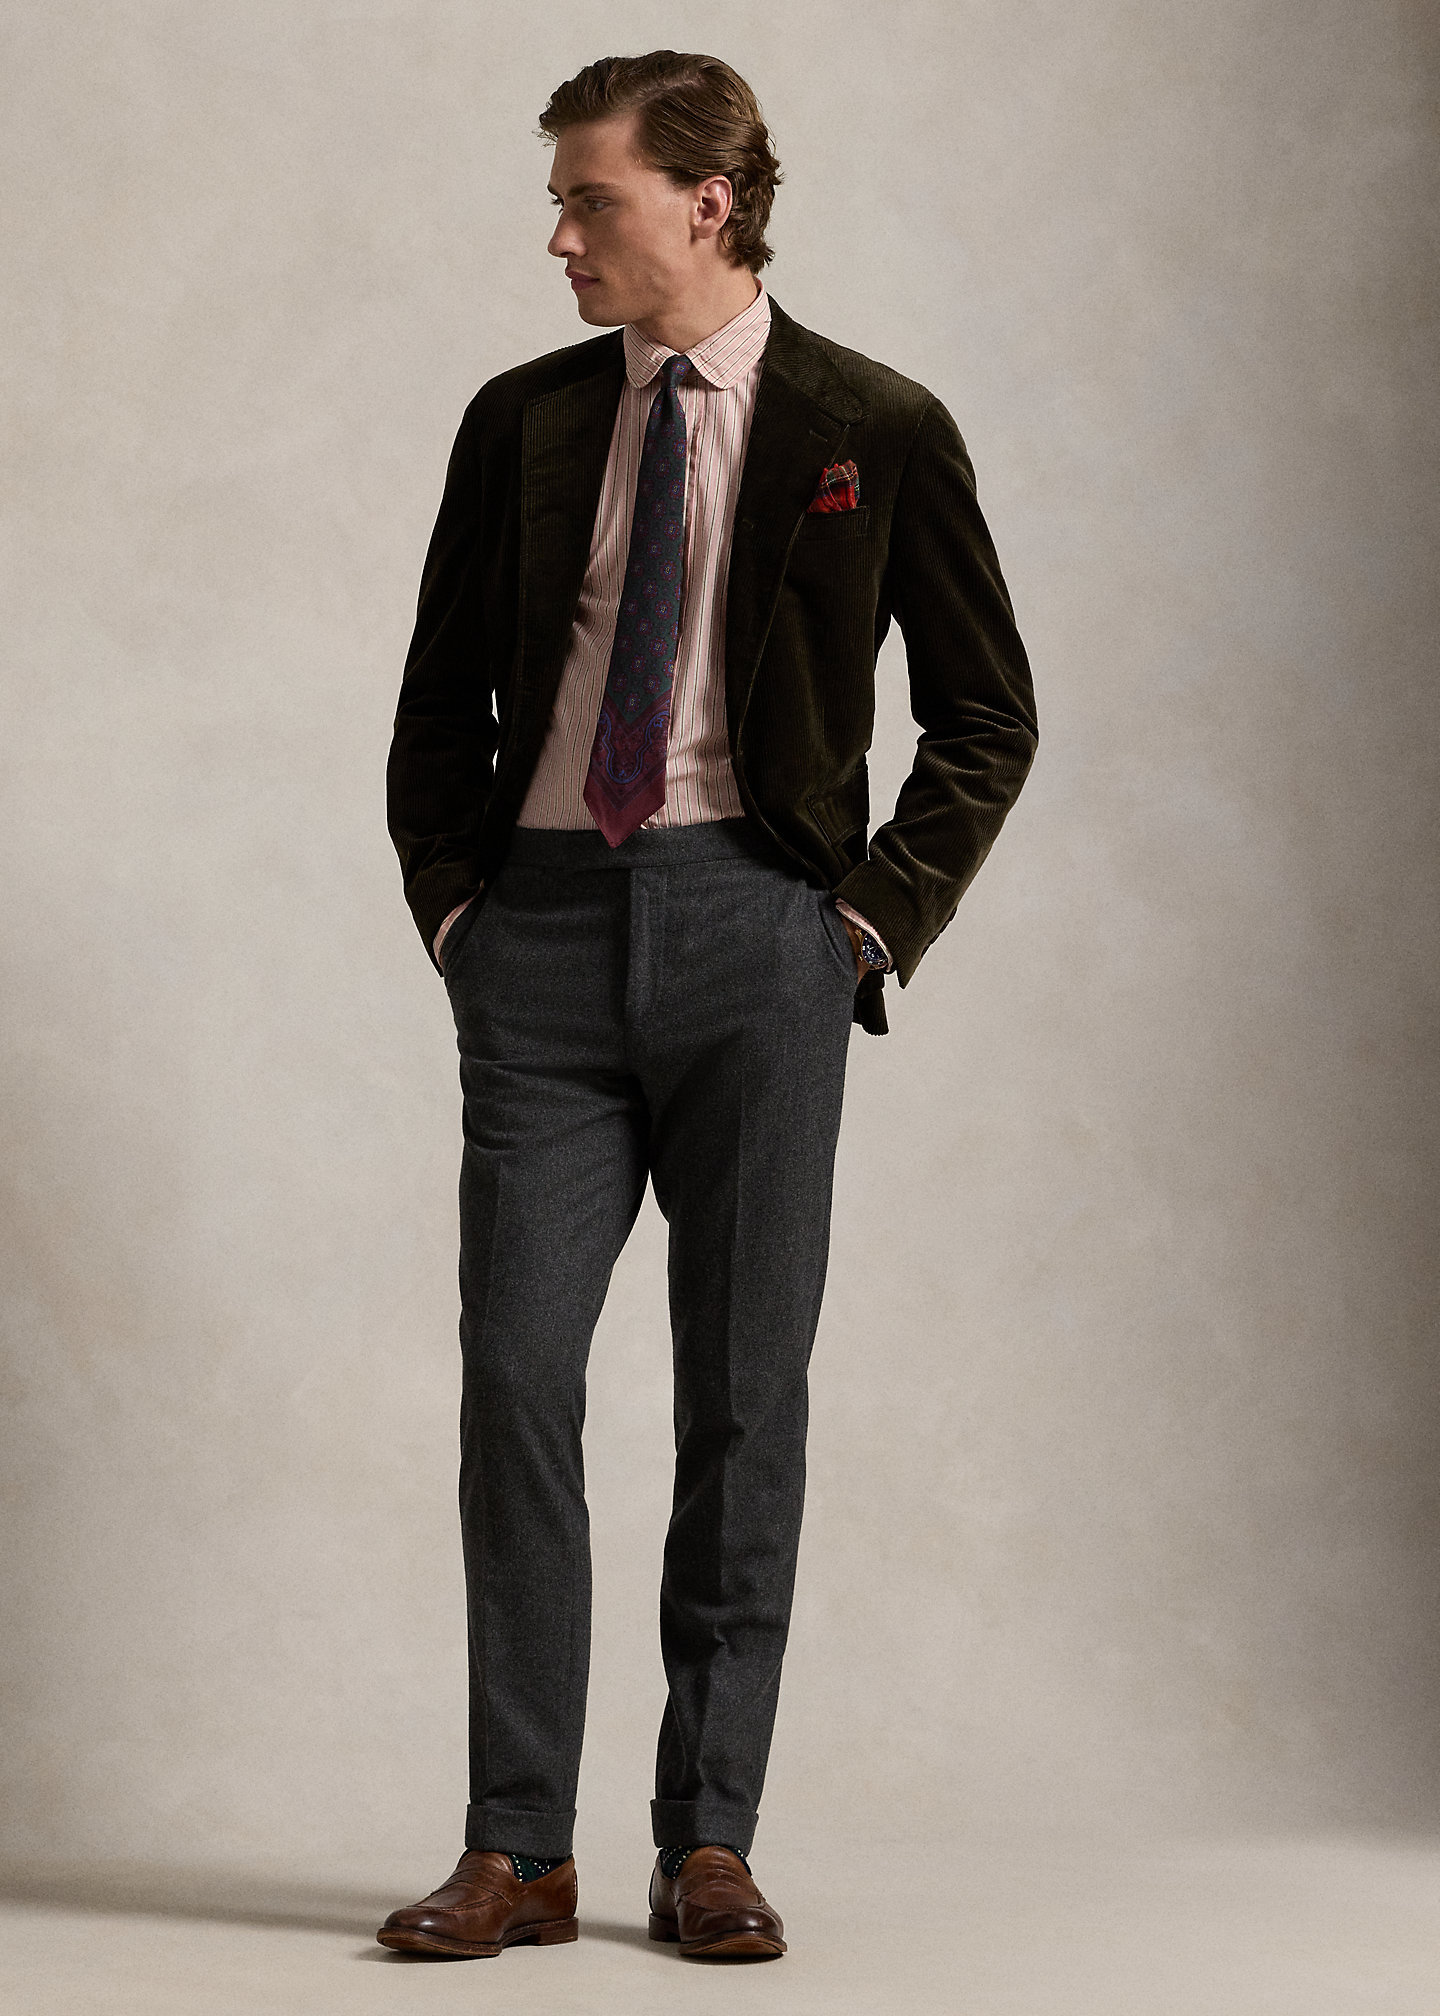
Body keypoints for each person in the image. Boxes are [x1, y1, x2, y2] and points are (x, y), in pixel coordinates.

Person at [377, 48, 1037, 1963]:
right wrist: (461, 909)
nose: (560, 236)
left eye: (588, 199)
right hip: (543, 942)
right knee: (517, 1377)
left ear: (709, 202)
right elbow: (435, 702)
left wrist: (863, 929)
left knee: (745, 1395)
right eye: (560, 201)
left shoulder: (872, 425)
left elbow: (987, 716)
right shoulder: (519, 422)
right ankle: (520, 1845)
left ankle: (707, 1839)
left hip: (765, 934)